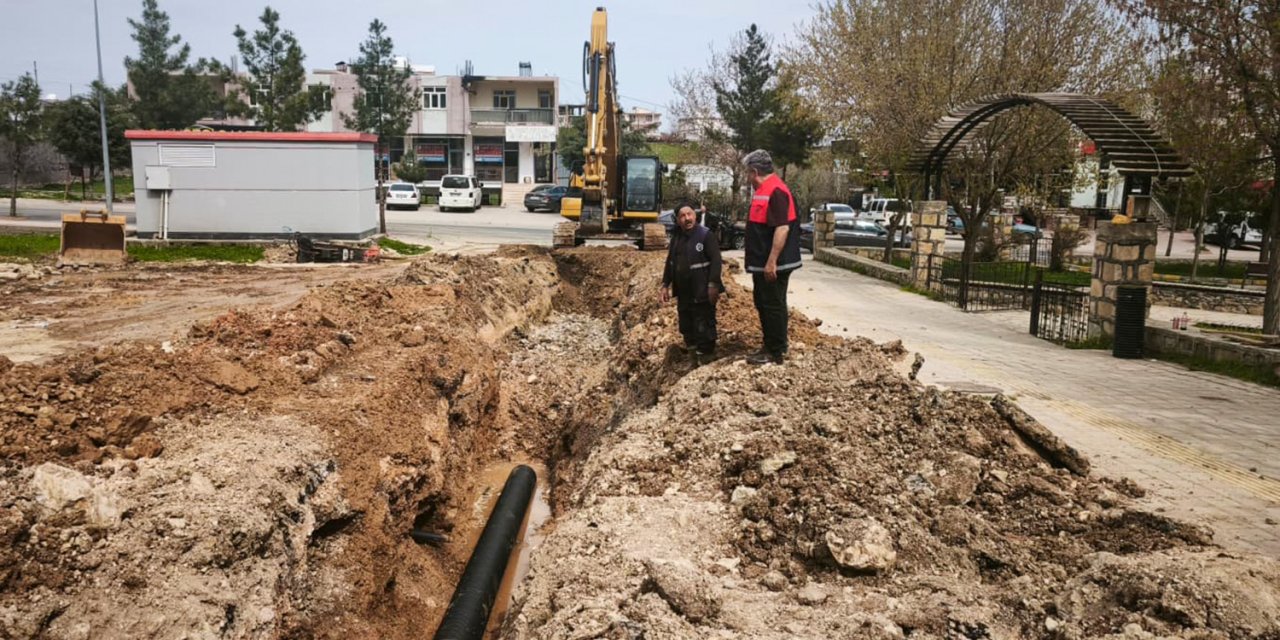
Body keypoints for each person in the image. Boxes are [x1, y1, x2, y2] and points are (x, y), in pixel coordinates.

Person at [742, 149, 802, 365]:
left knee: (772, 305)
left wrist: (771, 261)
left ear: (754, 171)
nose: (747, 178)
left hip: (773, 264)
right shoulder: (765, 189)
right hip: (763, 263)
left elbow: (782, 229)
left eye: (748, 174)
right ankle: (772, 345)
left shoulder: (776, 190)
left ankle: (775, 351)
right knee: (764, 302)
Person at [661, 200, 724, 361]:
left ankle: (706, 357)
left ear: (695, 215)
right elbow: (670, 262)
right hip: (684, 291)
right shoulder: (676, 238)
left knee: (703, 325)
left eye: (689, 214)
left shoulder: (705, 235)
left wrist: (713, 285)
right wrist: (665, 284)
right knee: (686, 325)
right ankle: (693, 357)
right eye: (682, 216)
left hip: (702, 290)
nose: (687, 218)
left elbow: (716, 261)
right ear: (677, 220)